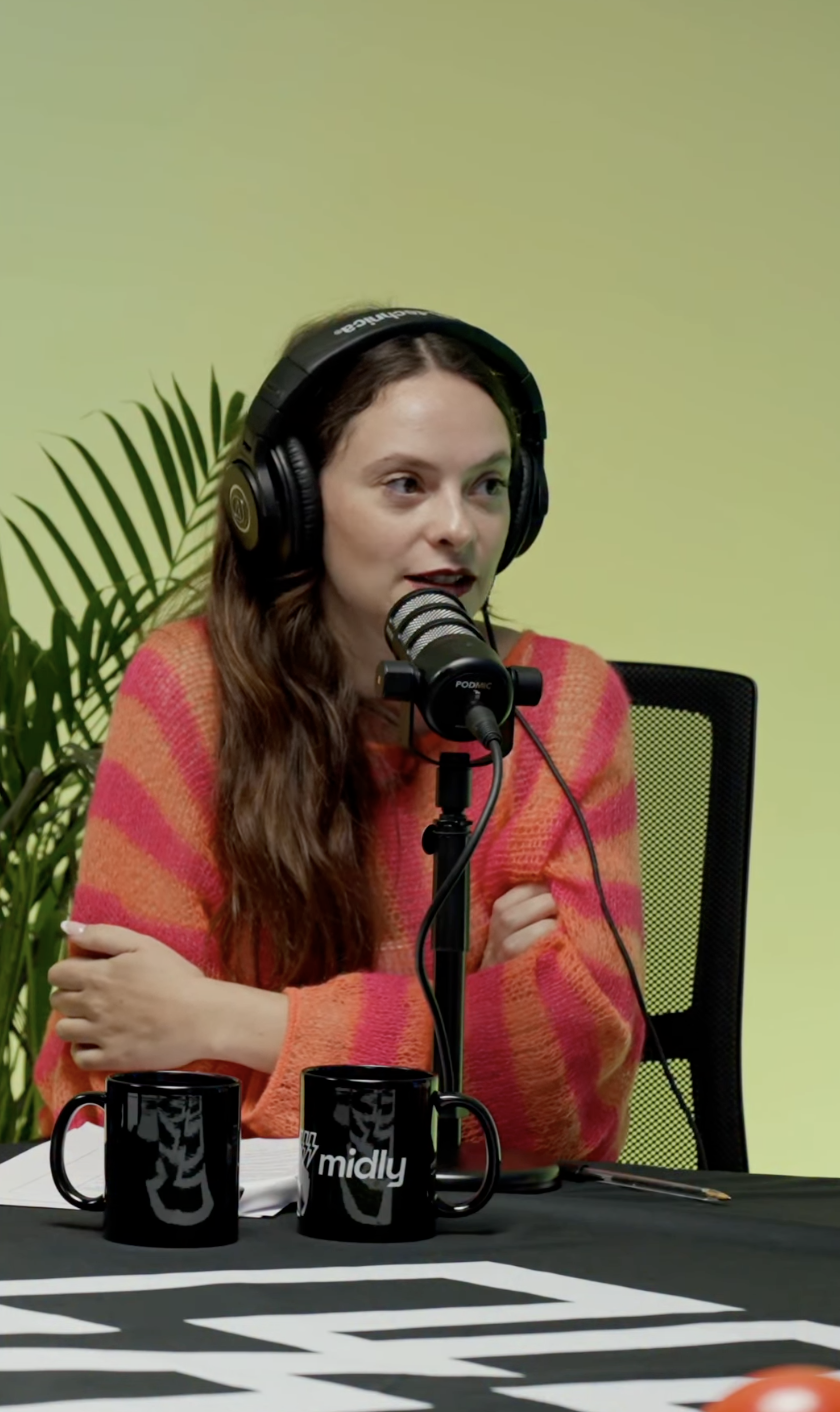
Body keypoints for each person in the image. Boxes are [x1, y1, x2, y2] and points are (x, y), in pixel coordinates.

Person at [35, 307, 645, 1163]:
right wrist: (466, 1015)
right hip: (237, 1246)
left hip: (493, 1240)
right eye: (406, 484)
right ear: (290, 502)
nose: (459, 528)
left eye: (488, 484)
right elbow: (122, 1088)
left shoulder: (561, 703)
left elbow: (569, 1078)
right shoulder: (189, 692)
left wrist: (228, 1019)